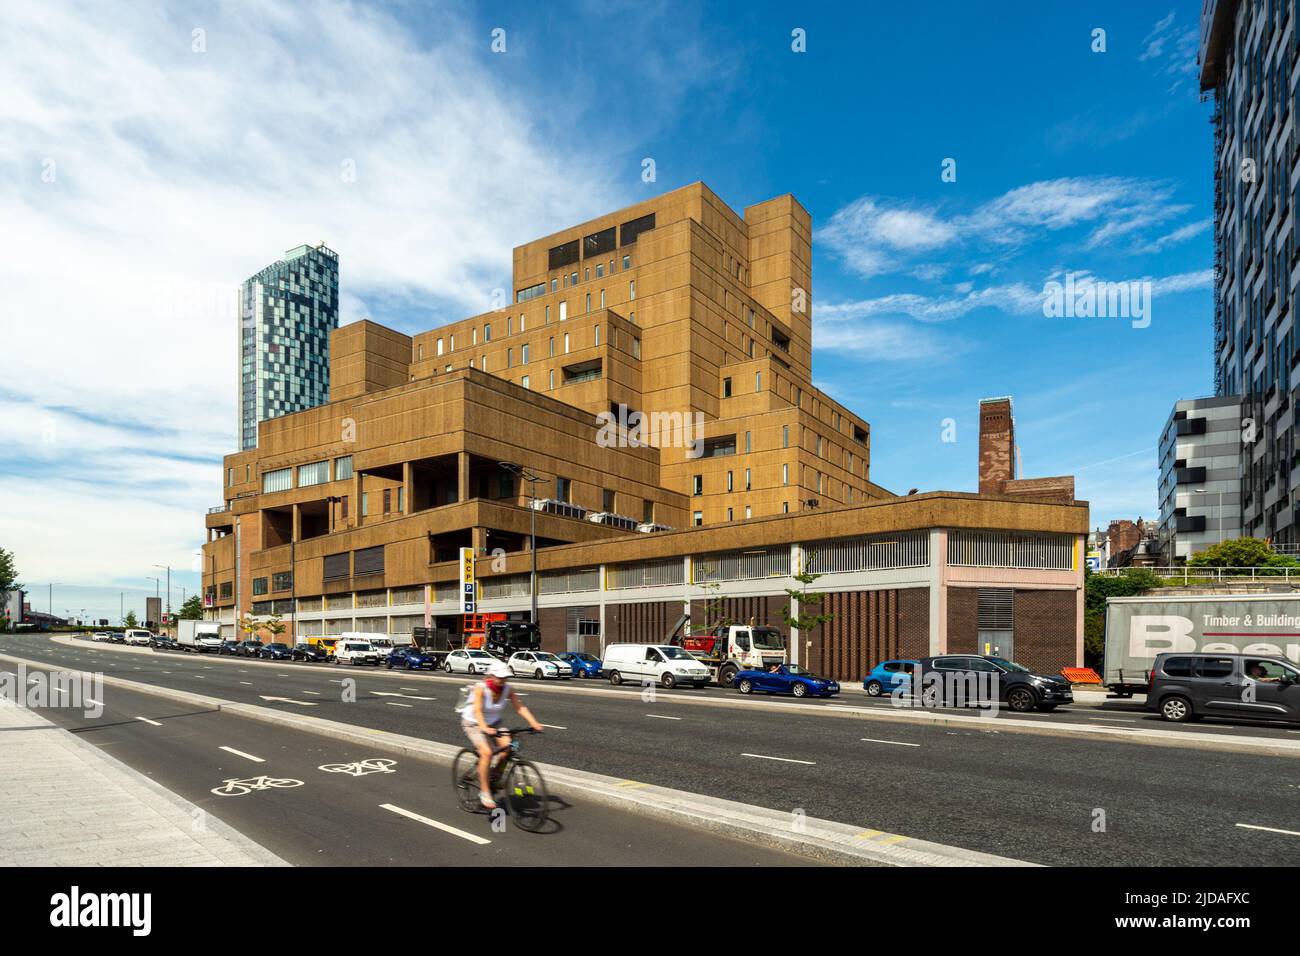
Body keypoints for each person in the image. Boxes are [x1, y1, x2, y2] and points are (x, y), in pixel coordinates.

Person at [458, 660, 543, 809]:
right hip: (473, 722)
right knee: (487, 753)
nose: (503, 681)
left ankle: (494, 776)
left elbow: (520, 707)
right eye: (500, 677)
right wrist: (484, 727)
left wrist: (533, 722)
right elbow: (477, 710)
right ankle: (484, 792)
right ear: (491, 676)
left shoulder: (507, 689)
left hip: (494, 723)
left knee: (508, 747)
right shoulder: (481, 688)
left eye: (505, 678)